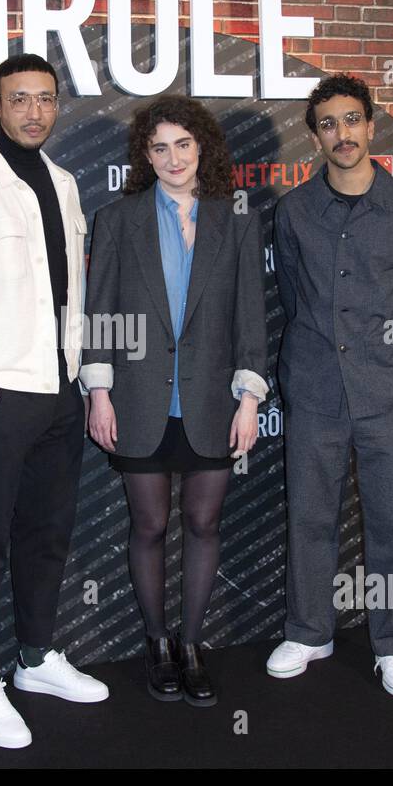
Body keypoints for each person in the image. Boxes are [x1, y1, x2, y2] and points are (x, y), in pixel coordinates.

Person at [0, 53, 108, 750]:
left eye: (45, 99)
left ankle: (35, 658)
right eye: (19, 99)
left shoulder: (61, 183)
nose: (34, 111)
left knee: (48, 532)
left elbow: (68, 295)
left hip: (58, 387)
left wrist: (79, 375)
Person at [82, 95, 268, 707]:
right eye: (159, 147)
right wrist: (99, 391)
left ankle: (192, 644)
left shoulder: (236, 219)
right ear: (146, 155)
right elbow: (100, 314)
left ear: (202, 149)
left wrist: (249, 398)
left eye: (183, 144)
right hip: (137, 400)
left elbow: (249, 319)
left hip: (213, 400)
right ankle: (157, 642)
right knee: (150, 524)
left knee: (204, 522)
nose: (172, 158)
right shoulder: (118, 220)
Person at [265, 73, 393, 696]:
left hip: (385, 390)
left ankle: (392, 643)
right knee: (310, 514)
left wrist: (387, 357)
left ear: (372, 125)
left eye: (351, 120)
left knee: (390, 520)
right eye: (328, 124)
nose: (342, 134)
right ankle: (309, 630)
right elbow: (290, 294)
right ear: (316, 136)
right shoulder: (293, 212)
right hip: (314, 386)